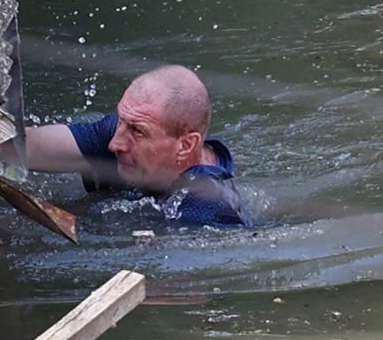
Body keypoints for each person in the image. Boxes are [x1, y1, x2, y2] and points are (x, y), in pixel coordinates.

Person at [18, 64, 250, 227]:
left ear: (186, 146)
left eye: (138, 131)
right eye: (121, 120)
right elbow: (25, 149)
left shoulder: (209, 207)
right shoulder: (123, 132)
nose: (114, 144)